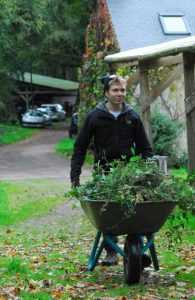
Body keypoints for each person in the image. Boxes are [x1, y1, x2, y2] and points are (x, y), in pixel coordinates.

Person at [71, 74, 153, 266]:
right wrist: (75, 176)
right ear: (106, 92)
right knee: (107, 212)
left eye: (122, 90)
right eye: (115, 90)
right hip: (105, 173)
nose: (119, 93)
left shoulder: (132, 116)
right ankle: (111, 252)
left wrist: (148, 171)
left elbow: (145, 147)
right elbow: (80, 146)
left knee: (134, 211)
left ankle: (136, 250)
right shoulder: (95, 116)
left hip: (129, 173)